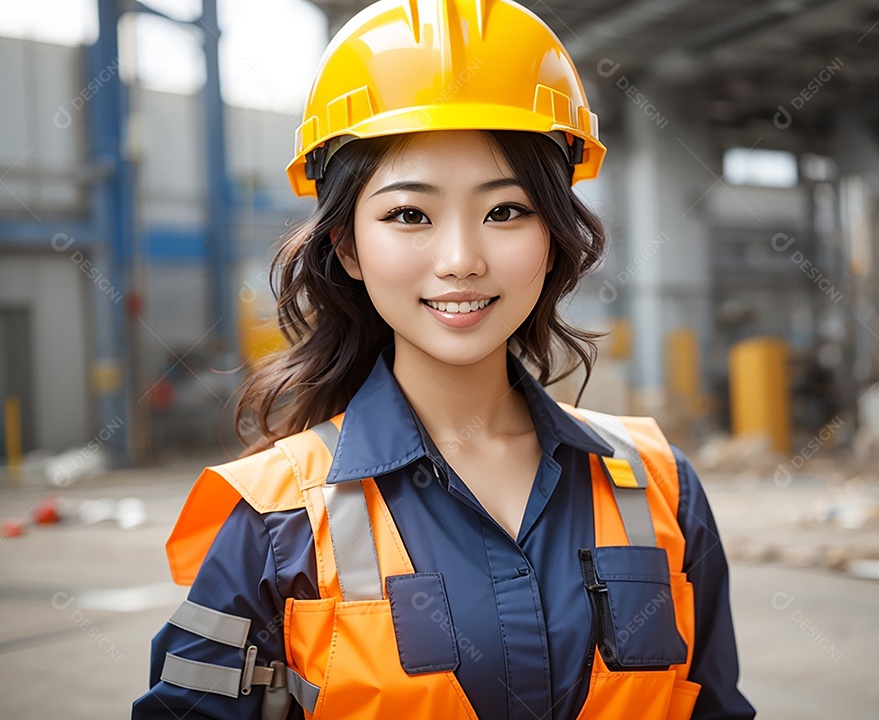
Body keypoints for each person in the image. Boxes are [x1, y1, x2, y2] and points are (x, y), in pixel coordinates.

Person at [132, 0, 755, 718]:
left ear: (553, 234)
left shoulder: (660, 488)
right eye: (409, 215)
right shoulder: (275, 523)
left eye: (505, 211)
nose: (461, 260)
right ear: (347, 246)